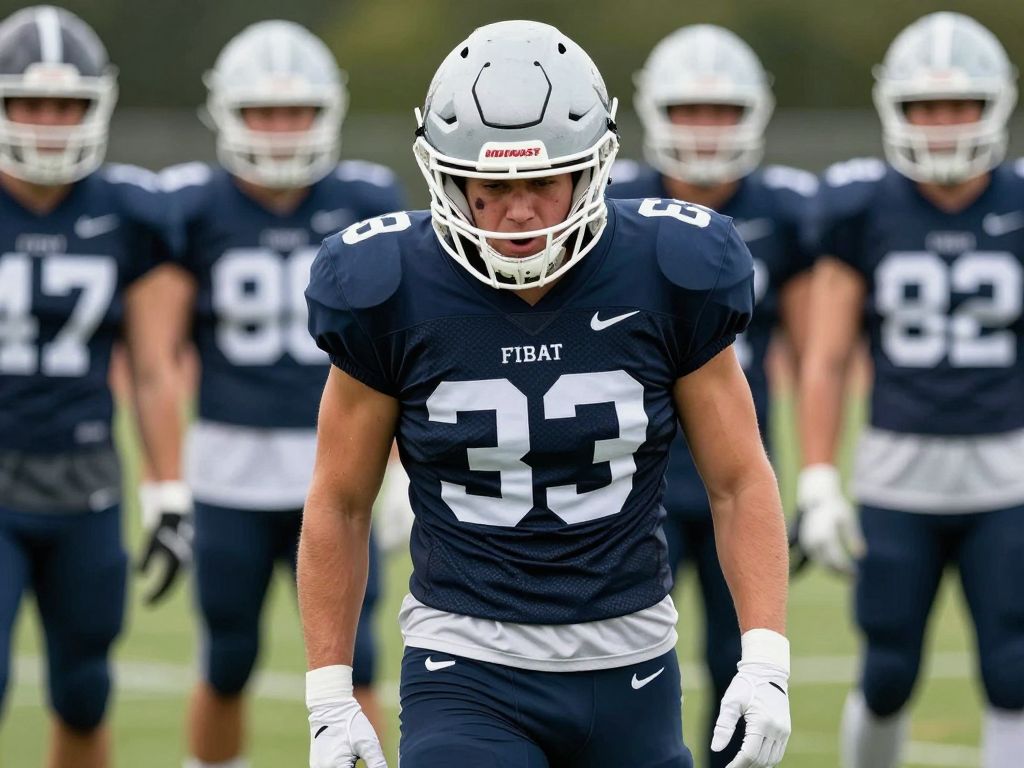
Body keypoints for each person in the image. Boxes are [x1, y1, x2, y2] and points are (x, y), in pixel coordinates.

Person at [300, 19, 791, 768]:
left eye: (543, 182)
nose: (520, 210)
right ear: (449, 179)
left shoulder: (669, 268)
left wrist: (765, 659)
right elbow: (339, 500)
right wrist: (330, 695)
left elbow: (738, 478)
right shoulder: (387, 286)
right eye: (494, 187)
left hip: (633, 659)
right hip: (465, 661)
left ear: (591, 171)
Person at [140, 20, 405, 768]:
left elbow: (402, 350)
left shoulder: (366, 198)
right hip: (229, 469)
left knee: (359, 660)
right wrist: (165, 482)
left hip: (341, 465)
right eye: (262, 113)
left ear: (329, 113)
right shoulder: (191, 207)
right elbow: (156, 354)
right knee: (226, 659)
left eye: (297, 112)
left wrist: (404, 469)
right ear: (227, 114)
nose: (281, 131)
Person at [797, 12, 1024, 768]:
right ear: (896, 110)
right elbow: (826, 357)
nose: (943, 123)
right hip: (898, 474)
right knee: (888, 671)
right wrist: (819, 477)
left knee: (1014, 671)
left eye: (960, 105)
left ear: (994, 106)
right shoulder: (863, 207)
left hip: (1008, 474)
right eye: (926, 106)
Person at [607, 24, 815, 768]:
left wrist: (818, 475)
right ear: (654, 112)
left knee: (740, 665)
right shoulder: (610, 205)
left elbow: (816, 353)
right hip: (638, 476)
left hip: (738, 466)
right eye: (688, 110)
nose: (705, 129)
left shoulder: (787, 211)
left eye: (723, 111)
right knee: (624, 669)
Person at [0, 6, 185, 768]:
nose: (49, 123)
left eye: (66, 104)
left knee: (84, 692)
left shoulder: (128, 211)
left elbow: (152, 366)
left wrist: (167, 490)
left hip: (86, 487)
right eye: (30, 104)